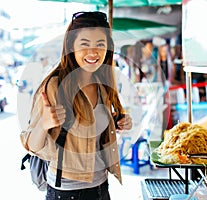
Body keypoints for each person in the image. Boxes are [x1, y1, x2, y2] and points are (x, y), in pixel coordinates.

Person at [20, 11, 133, 200]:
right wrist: (44, 123)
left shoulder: (103, 83)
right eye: (84, 44)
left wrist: (117, 121)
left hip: (101, 186)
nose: (92, 52)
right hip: (66, 192)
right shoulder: (55, 86)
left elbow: (91, 127)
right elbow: (31, 144)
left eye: (100, 44)